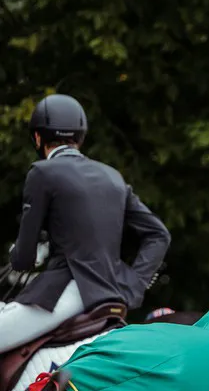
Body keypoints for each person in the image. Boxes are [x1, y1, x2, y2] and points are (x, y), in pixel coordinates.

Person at [0, 94, 171, 353]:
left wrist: (16, 256)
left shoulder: (42, 172)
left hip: (66, 294)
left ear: (38, 137)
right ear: (80, 136)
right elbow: (159, 234)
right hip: (112, 296)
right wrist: (134, 283)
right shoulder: (113, 177)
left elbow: (24, 259)